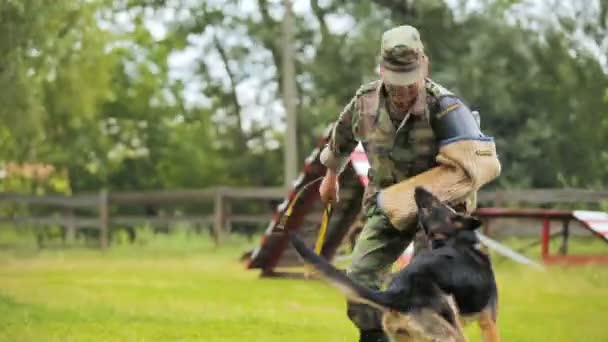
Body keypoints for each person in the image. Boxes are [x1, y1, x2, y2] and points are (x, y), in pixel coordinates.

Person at [318, 25, 501, 342]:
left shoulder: (444, 107)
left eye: (410, 81)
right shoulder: (365, 103)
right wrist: (331, 175)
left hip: (439, 214)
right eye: (396, 82)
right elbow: (342, 138)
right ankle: (376, 336)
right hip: (387, 205)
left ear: (425, 66)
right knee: (360, 275)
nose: (404, 92)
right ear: (382, 70)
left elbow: (481, 162)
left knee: (423, 287)